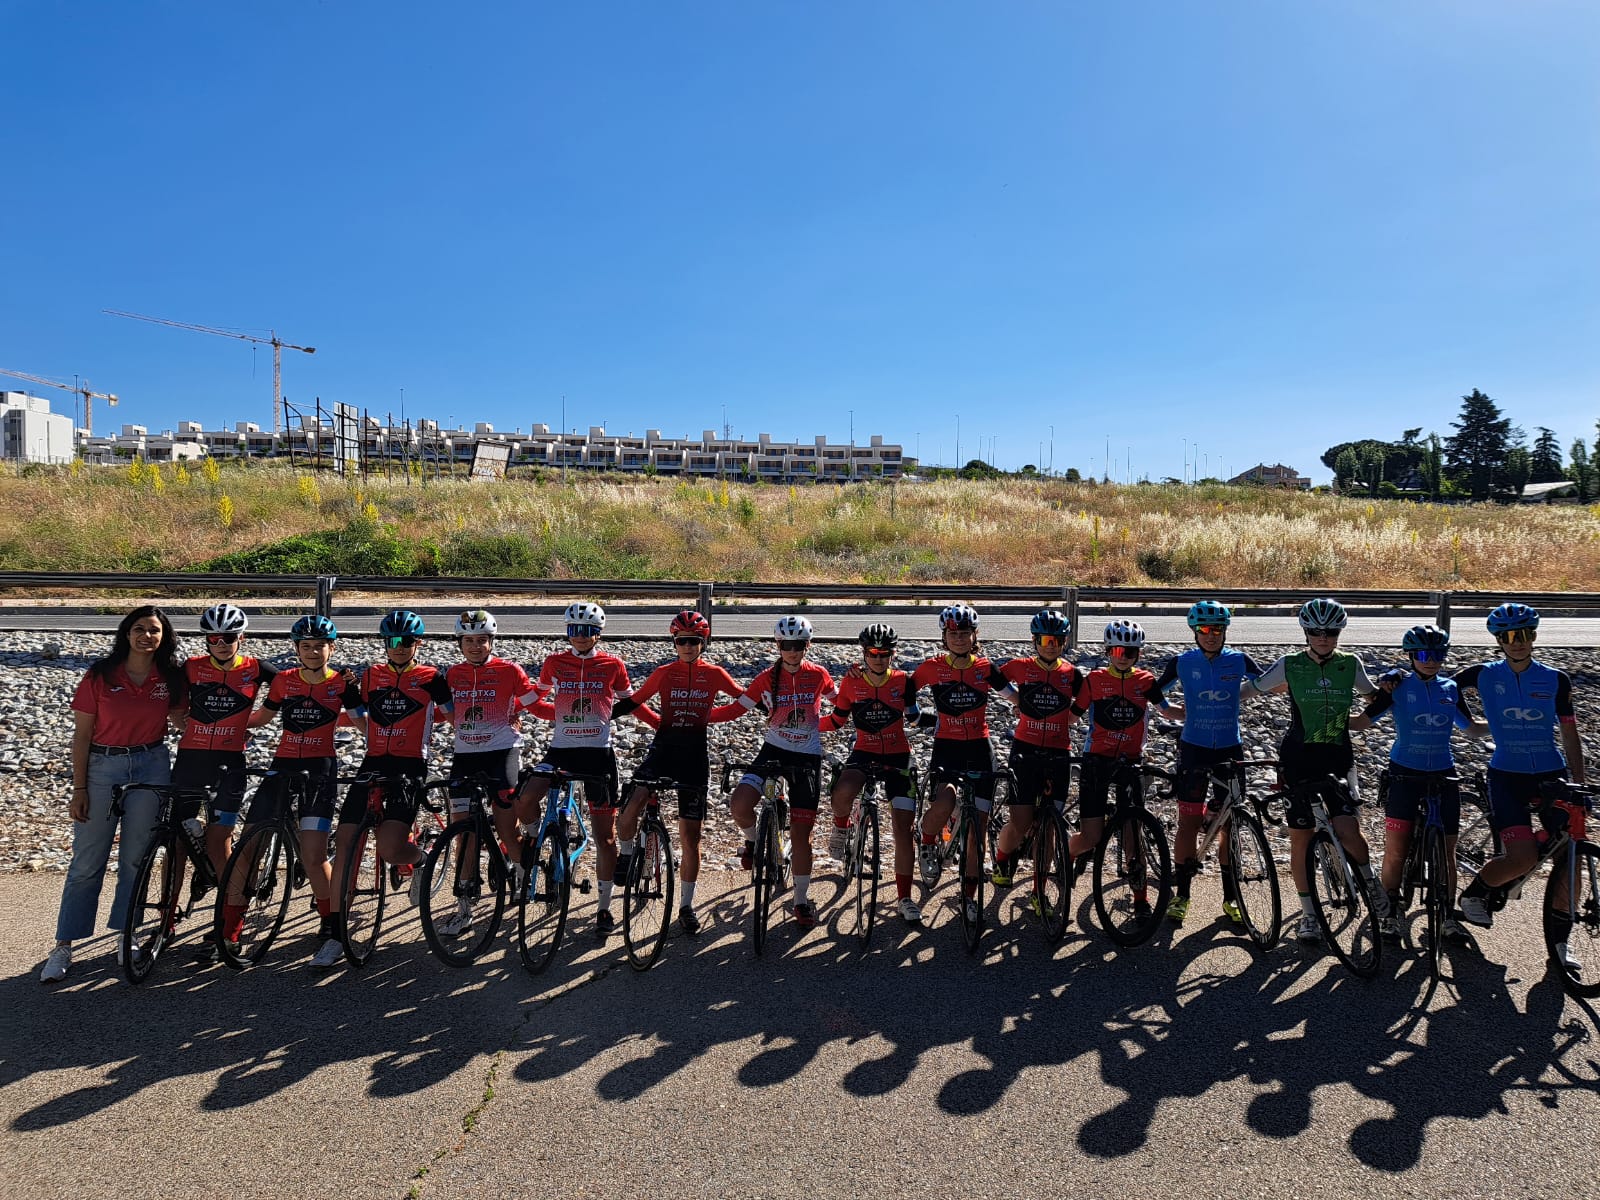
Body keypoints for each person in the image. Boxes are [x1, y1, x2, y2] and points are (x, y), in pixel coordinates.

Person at [41, 605, 186, 984]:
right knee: (88, 862)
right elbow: (82, 736)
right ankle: (63, 945)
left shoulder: (168, 678)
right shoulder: (100, 675)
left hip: (152, 765)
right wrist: (80, 788)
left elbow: (184, 722)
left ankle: (127, 935)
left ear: (163, 637)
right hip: (103, 767)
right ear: (126, 633)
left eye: (154, 630)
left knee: (136, 859)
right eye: (139, 628)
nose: (146, 636)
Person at [313, 610, 454, 968]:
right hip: (373, 762)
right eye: (392, 641)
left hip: (410, 766)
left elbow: (455, 716)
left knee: (391, 848)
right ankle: (334, 932)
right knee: (345, 842)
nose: (399, 648)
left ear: (417, 643)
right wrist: (343, 694)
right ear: (384, 644)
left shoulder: (431, 677)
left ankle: (421, 861)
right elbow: (357, 712)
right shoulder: (371, 675)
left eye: (406, 641)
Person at [1451, 603, 1588, 970]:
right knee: (1523, 857)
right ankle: (1476, 893)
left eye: (1524, 634)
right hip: (1507, 775)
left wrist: (1580, 783)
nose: (1517, 642)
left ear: (1534, 636)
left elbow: (1570, 735)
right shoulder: (1483, 674)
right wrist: (1469, 725)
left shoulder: (1555, 678)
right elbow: (1440, 688)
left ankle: (1560, 946)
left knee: (1570, 854)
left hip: (1550, 771)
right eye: (1509, 636)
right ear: (1498, 640)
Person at [220, 615, 365, 962]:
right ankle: (229, 927)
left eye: (320, 646)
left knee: (313, 854)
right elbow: (261, 717)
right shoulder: (284, 681)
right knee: (249, 846)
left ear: (332, 648)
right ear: (296, 649)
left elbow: (363, 722)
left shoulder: (342, 684)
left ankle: (331, 921)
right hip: (282, 765)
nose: (313, 652)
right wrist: (226, 729)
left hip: (321, 770)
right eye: (306, 646)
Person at [1244, 597, 1381, 946]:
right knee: (1301, 839)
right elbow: (1250, 690)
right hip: (1298, 758)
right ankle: (1308, 914)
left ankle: (1370, 883)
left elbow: (1374, 697)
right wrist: (1214, 701)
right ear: (1306, 632)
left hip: (1337, 755)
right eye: (1317, 631)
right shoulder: (1289, 664)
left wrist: (1390, 696)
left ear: (1338, 632)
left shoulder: (1350, 664)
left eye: (1331, 631)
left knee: (1349, 829)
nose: (1324, 637)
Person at [516, 602, 650, 938]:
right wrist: (512, 711)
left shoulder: (612, 664)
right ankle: (534, 838)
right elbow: (536, 698)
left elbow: (631, 702)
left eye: (588, 631)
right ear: (567, 632)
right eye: (575, 630)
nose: (581, 636)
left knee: (605, 837)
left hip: (598, 755)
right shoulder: (554, 663)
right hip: (560, 751)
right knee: (525, 800)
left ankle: (603, 908)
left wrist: (659, 724)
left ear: (598, 633)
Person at [1348, 623, 1482, 947]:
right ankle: (1391, 912)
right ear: (1411, 655)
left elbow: (1472, 729)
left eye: (1437, 654)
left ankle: (1448, 917)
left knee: (1448, 853)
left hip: (1443, 774)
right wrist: (1319, 718)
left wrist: (1512, 727)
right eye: (1423, 654)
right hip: (1404, 774)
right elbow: (1363, 722)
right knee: (1396, 851)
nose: (1430, 660)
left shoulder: (1450, 688)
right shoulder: (1397, 686)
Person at [610, 610, 733, 936]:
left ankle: (686, 906)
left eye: (694, 641)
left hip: (694, 758)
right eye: (682, 641)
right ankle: (625, 855)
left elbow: (743, 701)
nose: (688, 646)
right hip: (662, 751)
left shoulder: (716, 673)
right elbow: (635, 702)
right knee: (632, 804)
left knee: (691, 838)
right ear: (674, 642)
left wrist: (707, 718)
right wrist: (602, 715)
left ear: (703, 642)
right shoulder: (664, 673)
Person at [171, 603, 277, 964]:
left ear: (240, 637)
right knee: (176, 842)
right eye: (214, 638)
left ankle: (231, 923)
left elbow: (289, 689)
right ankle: (168, 918)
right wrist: (185, 725)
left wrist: (254, 721)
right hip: (190, 760)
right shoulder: (190, 668)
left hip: (229, 764)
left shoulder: (256, 669)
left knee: (220, 841)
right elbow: (172, 706)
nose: (221, 643)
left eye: (228, 637)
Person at [1152, 601, 1263, 926]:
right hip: (1194, 750)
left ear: (1225, 631)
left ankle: (1230, 898)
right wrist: (1169, 711)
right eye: (1204, 630)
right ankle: (1182, 895)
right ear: (1195, 632)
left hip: (1230, 751)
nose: (1211, 635)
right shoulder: (1182, 662)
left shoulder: (1239, 660)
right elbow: (1152, 690)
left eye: (1217, 629)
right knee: (1188, 823)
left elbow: (1276, 681)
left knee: (1230, 825)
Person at [723, 616, 837, 931]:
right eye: (786, 645)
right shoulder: (765, 677)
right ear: (778, 645)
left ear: (807, 646)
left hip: (807, 757)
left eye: (798, 645)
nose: (792, 651)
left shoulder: (819, 675)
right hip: (773, 751)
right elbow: (736, 709)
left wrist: (825, 723)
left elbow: (841, 704)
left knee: (802, 836)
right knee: (740, 804)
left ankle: (800, 900)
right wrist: (695, 717)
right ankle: (752, 842)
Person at [434, 608, 540, 939]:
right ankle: (464, 908)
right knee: (462, 831)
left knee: (507, 828)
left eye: (482, 641)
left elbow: (532, 702)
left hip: (502, 752)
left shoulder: (509, 670)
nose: (476, 647)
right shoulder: (452, 675)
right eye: (469, 641)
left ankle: (523, 874)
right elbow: (439, 715)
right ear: (460, 643)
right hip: (465, 755)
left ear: (491, 641)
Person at [1067, 620, 1181, 920]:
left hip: (1131, 761)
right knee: (1091, 837)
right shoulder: (1093, 680)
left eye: (1130, 651)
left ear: (1138, 653)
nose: (1123, 655)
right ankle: (1061, 862)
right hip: (1096, 761)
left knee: (1134, 831)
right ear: (1107, 651)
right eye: (1117, 650)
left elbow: (1166, 710)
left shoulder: (1146, 680)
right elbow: (1072, 717)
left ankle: (1140, 896)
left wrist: (1201, 713)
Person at [821, 623, 924, 923]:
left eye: (885, 653)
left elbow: (914, 717)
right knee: (842, 791)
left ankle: (904, 898)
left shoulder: (904, 681)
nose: (879, 659)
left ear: (893, 654)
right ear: (864, 653)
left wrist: (943, 725)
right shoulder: (851, 682)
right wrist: (805, 726)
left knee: (903, 832)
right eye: (873, 653)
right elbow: (838, 721)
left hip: (898, 755)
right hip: (864, 753)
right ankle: (841, 826)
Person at [911, 603, 1006, 928]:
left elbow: (1015, 695)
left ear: (974, 635)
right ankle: (926, 841)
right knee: (945, 799)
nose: (960, 638)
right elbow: (904, 689)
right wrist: (913, 715)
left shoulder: (985, 666)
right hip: (947, 748)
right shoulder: (933, 667)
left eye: (965, 633)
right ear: (945, 636)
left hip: (980, 747)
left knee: (977, 831)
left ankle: (968, 895)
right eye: (954, 634)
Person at [990, 610, 1082, 900]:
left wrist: (1075, 715)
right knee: (1020, 822)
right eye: (1045, 639)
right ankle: (1003, 859)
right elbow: (987, 676)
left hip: (1059, 751)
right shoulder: (1020, 666)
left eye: (1057, 639)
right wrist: (1015, 699)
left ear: (1064, 641)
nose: (1051, 644)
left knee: (1050, 825)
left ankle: (1039, 890)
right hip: (1025, 750)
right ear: (1034, 640)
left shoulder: (1071, 673)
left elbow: (1091, 695)